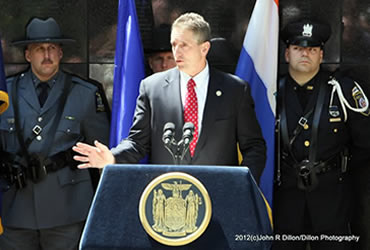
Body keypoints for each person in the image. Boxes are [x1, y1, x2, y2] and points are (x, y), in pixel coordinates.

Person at [72, 12, 266, 184]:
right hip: (168, 198)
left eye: (184, 45)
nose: (177, 52)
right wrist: (112, 158)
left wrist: (243, 183)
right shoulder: (152, 88)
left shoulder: (234, 90)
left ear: (204, 48)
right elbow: (138, 142)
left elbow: (254, 146)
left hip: (219, 194)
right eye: (174, 44)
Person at [0, 17, 110, 250]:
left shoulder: (86, 94)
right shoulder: (5, 94)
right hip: (15, 208)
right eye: (40, 49)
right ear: (28, 55)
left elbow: (102, 155)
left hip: (67, 210)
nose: (47, 55)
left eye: (52, 48)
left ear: (60, 53)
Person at [273, 19, 370, 250]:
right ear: (287, 54)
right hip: (285, 199)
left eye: (312, 49)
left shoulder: (343, 91)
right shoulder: (270, 92)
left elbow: (364, 143)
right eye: (298, 48)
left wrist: (337, 168)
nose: (305, 54)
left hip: (332, 198)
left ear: (321, 55)